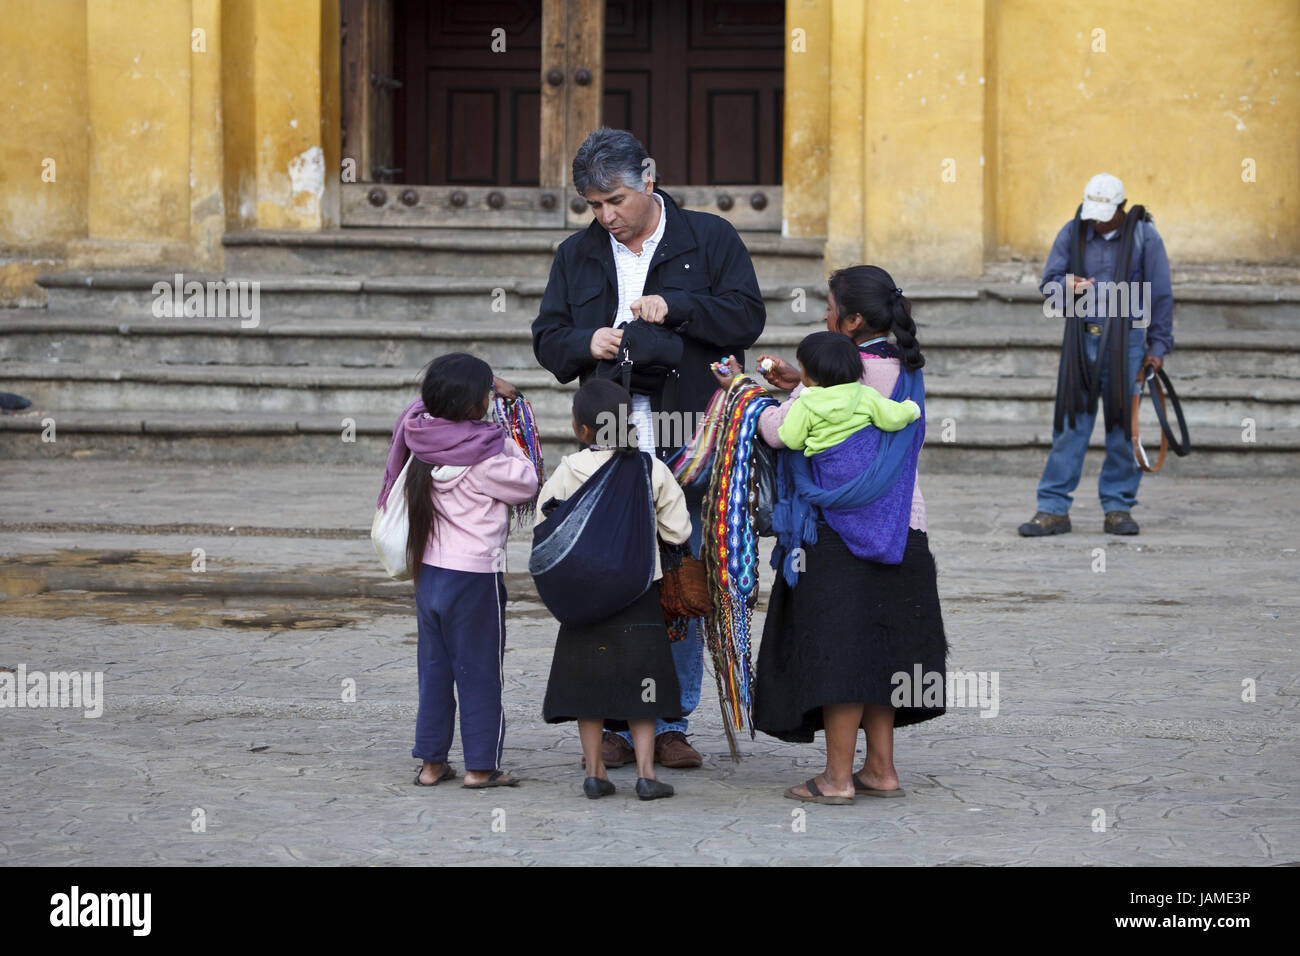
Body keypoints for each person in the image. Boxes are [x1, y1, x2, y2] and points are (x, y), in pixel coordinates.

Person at [531, 127, 766, 770]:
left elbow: (746, 318)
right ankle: (609, 719)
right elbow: (548, 339)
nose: (605, 217)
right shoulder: (577, 254)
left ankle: (670, 722)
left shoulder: (710, 238)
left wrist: (679, 306)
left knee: (681, 582)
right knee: (609, 578)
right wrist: (589, 344)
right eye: (593, 205)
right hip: (606, 449)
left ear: (649, 180)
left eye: (614, 201)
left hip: (688, 439)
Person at [719, 264, 947, 805]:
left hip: (838, 534)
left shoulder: (822, 391)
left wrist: (745, 391)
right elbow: (859, 401)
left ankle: (837, 779)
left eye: (828, 307)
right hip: (902, 529)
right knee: (880, 652)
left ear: (851, 321)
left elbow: (777, 433)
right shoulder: (905, 369)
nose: (823, 314)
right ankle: (881, 771)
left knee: (841, 656)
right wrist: (802, 381)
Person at [376, 353, 539, 789]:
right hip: (475, 578)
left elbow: (420, 403)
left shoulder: (419, 435)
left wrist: (483, 384)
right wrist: (505, 437)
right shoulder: (486, 456)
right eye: (487, 391)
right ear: (475, 405)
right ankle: (481, 766)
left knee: (434, 669)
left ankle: (431, 764)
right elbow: (527, 480)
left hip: (428, 573)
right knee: (480, 670)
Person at [536, 380, 692, 800]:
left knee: (589, 688)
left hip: (582, 601)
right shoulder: (651, 468)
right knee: (643, 686)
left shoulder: (569, 470)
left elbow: (543, 523)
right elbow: (678, 531)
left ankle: (595, 771)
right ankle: (645, 773)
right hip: (638, 594)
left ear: (581, 429)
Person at [1019, 172, 1174, 538]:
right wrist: (1064, 285)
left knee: (1123, 427)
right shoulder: (1072, 233)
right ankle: (1053, 509)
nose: (1098, 220)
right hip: (1082, 341)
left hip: (1130, 343)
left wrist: (1158, 347)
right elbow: (1049, 286)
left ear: (1122, 208)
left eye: (1105, 213)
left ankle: (1118, 506)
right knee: (1071, 426)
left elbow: (1161, 295)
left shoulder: (1144, 236)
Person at [777, 331, 921, 455]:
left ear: (812, 379)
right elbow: (893, 418)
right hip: (863, 469)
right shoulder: (866, 395)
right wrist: (911, 408)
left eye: (801, 368)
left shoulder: (804, 404)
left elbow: (792, 440)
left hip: (827, 472)